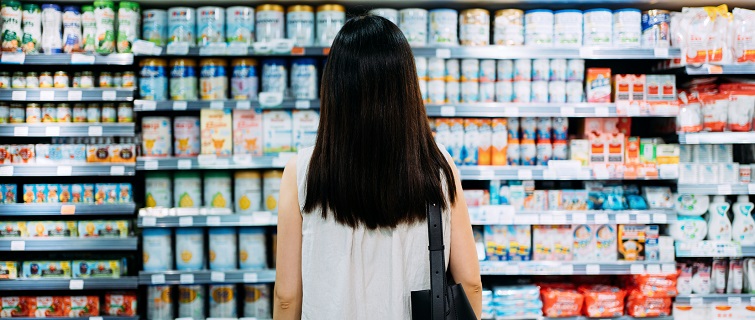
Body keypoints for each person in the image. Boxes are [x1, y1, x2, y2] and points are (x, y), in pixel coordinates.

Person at [273, 14, 482, 320]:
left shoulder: (301, 170)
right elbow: (471, 284)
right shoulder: (437, 165)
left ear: (335, 88)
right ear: (407, 87)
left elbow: (287, 297)